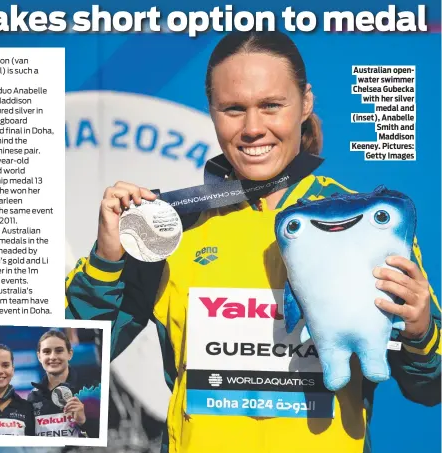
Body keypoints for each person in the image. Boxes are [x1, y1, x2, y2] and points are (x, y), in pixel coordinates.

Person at [64, 31, 440, 453]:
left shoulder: (366, 224)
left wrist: (420, 328)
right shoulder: (172, 228)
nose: (253, 128)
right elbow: (71, 364)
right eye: (233, 109)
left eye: (271, 106)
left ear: (306, 103)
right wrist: (106, 260)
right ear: (212, 111)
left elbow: (430, 388)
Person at [28, 329, 100, 438]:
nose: (52, 357)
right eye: (47, 352)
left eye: (59, 350)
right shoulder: (33, 398)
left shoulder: (92, 393)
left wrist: (83, 422)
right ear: (39, 357)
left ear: (70, 354)